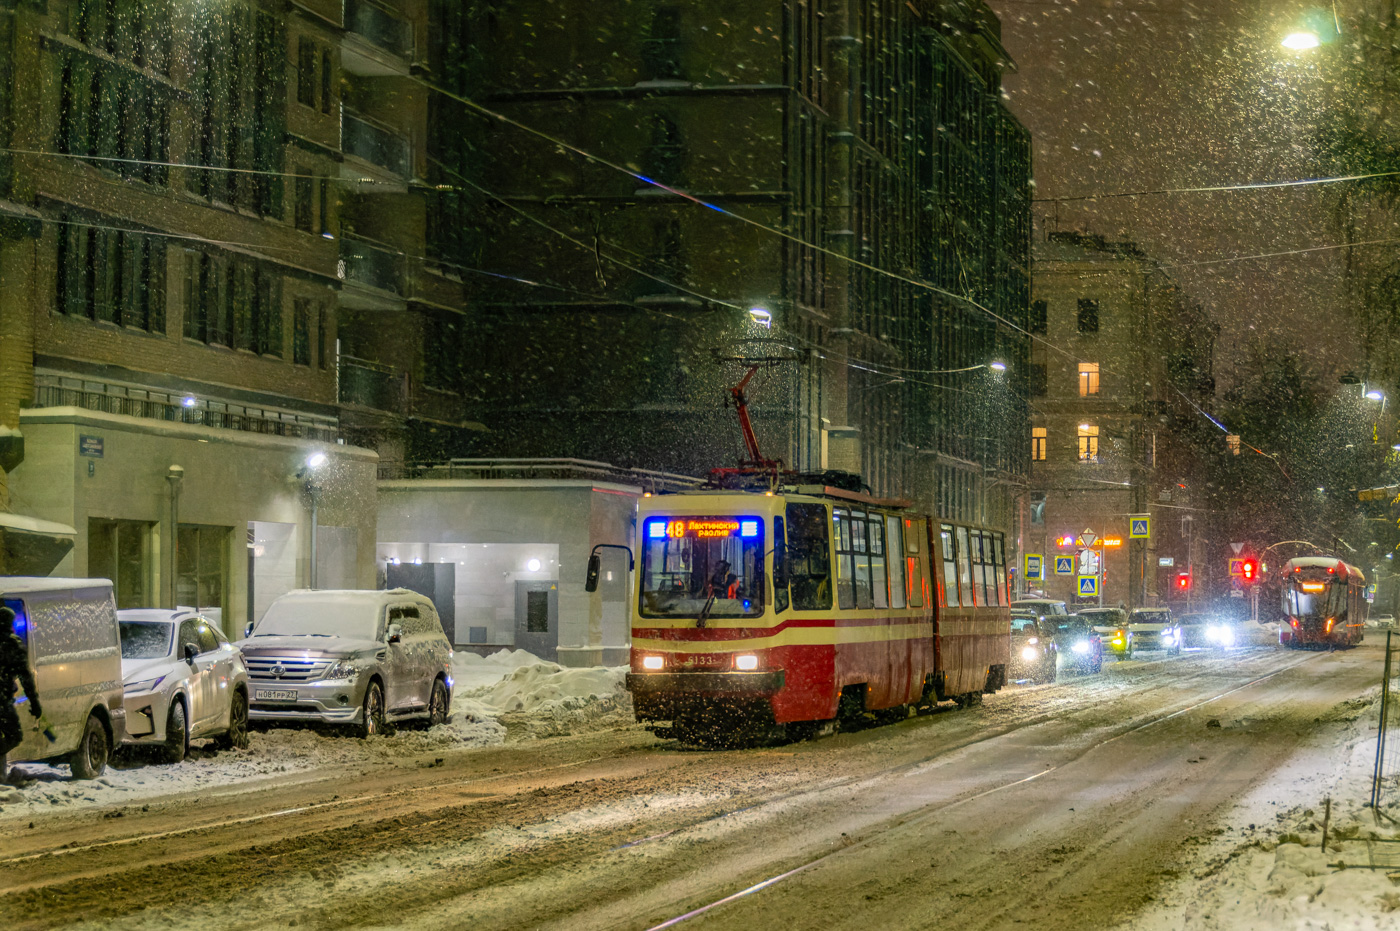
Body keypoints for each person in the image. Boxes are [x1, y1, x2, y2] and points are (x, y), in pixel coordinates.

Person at [0, 606, 41, 783]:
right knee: (14, 735)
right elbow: (25, 676)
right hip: (2, 701)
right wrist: (34, 702)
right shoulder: (12, 644)